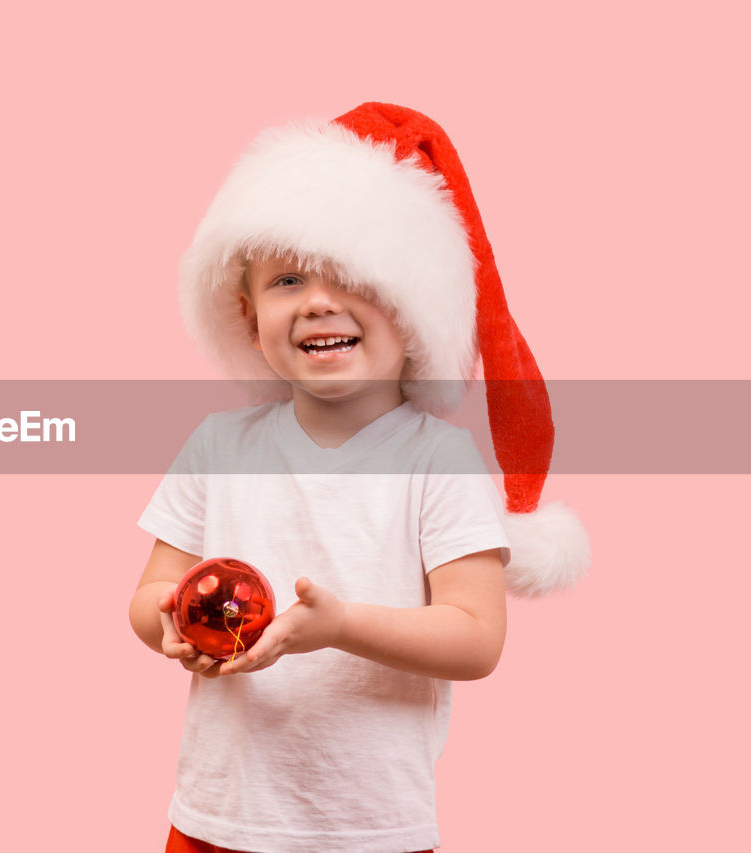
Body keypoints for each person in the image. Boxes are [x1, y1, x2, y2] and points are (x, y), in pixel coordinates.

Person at [128, 103, 590, 853]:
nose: (317, 300)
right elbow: (149, 595)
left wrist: (340, 627)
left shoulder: (438, 462)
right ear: (249, 318)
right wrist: (172, 625)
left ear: (413, 306)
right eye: (286, 278)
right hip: (219, 817)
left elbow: (476, 638)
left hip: (370, 830)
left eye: (352, 275)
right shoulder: (219, 445)